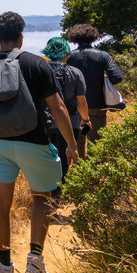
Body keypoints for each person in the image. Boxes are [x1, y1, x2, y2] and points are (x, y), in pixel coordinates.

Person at [0, 12, 78, 273]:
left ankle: (4, 266)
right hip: (34, 142)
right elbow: (58, 107)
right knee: (41, 198)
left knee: (1, 205)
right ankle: (35, 262)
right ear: (21, 36)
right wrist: (71, 144)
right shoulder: (36, 63)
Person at [41, 36, 90, 198]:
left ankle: (46, 196)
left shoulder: (40, 71)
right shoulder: (75, 73)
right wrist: (86, 119)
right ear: (67, 53)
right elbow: (81, 101)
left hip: (44, 124)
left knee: (45, 161)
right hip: (70, 123)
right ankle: (56, 198)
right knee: (63, 161)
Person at [65, 24, 123, 157]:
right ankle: (93, 171)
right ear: (93, 38)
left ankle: (79, 168)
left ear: (75, 38)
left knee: (78, 138)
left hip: (74, 105)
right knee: (96, 141)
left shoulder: (68, 57)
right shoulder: (103, 56)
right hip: (97, 104)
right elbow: (117, 77)